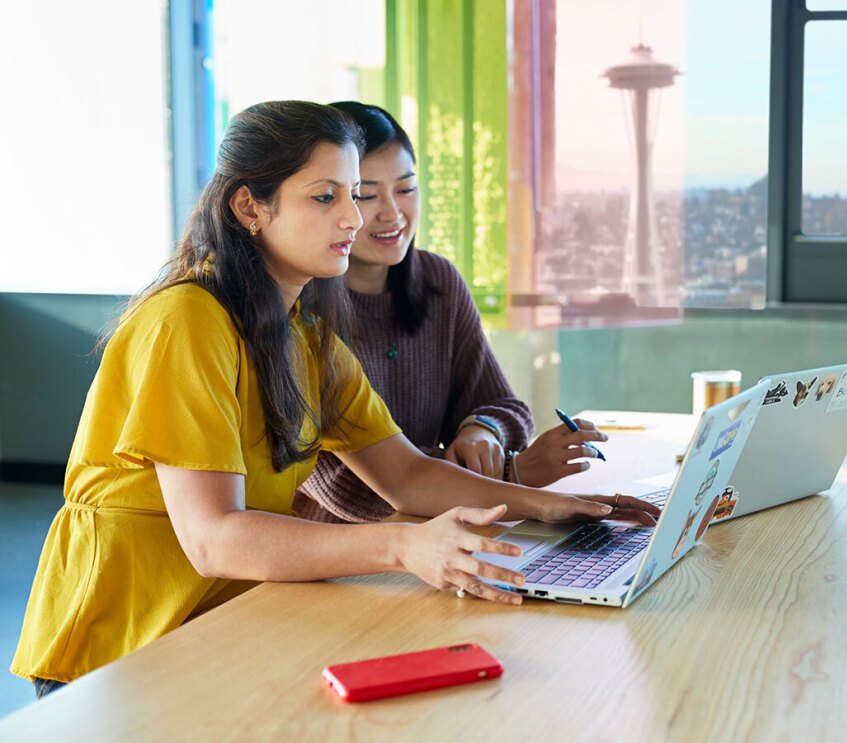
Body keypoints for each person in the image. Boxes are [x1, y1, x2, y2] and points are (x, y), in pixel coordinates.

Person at [11, 101, 659, 698]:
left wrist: (557, 506)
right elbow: (214, 538)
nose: (355, 217)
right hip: (121, 648)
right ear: (249, 208)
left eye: (353, 194)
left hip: (225, 622)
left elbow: (404, 473)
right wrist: (403, 548)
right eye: (326, 197)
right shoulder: (187, 318)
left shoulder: (304, 333)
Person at [293, 102, 608, 524]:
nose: (392, 213)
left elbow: (504, 405)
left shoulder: (437, 281)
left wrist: (483, 430)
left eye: (406, 189)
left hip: (438, 536)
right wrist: (514, 473)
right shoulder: (297, 306)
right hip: (338, 561)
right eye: (365, 195)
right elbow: (348, 489)